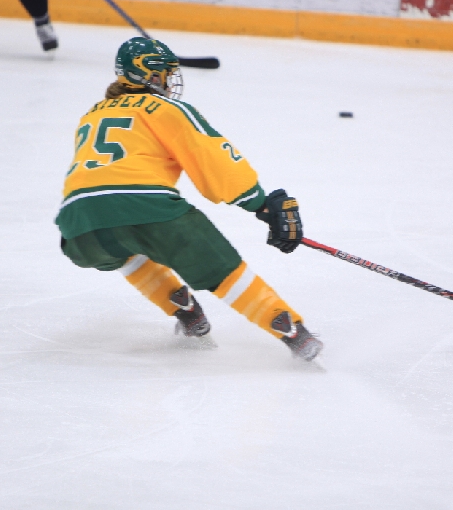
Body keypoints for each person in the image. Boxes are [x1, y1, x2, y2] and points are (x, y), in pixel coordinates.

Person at [56, 37, 324, 361]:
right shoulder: (166, 109)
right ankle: (292, 332)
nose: (170, 81)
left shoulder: (91, 115)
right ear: (150, 74)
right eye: (166, 73)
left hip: (78, 227)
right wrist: (259, 202)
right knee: (221, 270)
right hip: (147, 207)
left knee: (123, 245)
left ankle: (184, 310)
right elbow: (211, 158)